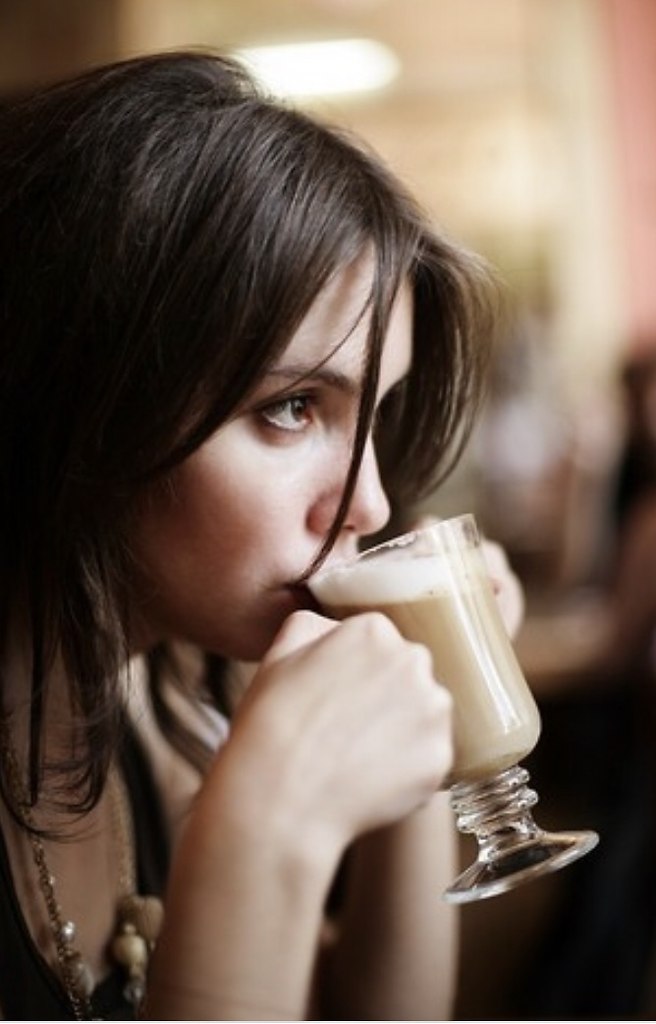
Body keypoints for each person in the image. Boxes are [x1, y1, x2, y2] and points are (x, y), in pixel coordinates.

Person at [0, 49, 522, 1021]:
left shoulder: (142, 728)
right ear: (89, 398)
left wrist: (420, 713)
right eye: (291, 408)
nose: (369, 504)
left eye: (376, 415)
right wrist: (268, 828)